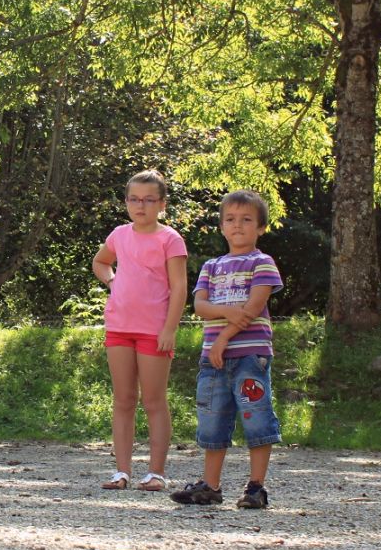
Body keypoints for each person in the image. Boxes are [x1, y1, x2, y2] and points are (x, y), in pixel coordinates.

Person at [171, 189, 283, 509]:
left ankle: (256, 487)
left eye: (247, 220)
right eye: (230, 220)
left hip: (250, 357)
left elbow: (254, 307)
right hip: (214, 361)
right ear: (221, 227)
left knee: (256, 418)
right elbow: (200, 306)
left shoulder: (262, 263)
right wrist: (227, 314)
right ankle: (210, 486)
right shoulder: (212, 266)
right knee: (212, 419)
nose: (238, 225)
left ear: (260, 227)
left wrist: (224, 336)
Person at [92, 170, 189, 491]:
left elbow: (179, 287)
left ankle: (156, 473)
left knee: (154, 401)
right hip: (119, 327)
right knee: (123, 400)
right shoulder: (119, 234)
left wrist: (170, 328)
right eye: (134, 199)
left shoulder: (170, 239)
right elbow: (100, 263)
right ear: (126, 202)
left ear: (162, 204)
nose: (141, 206)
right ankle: (122, 471)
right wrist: (112, 280)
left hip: (154, 331)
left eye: (149, 200)